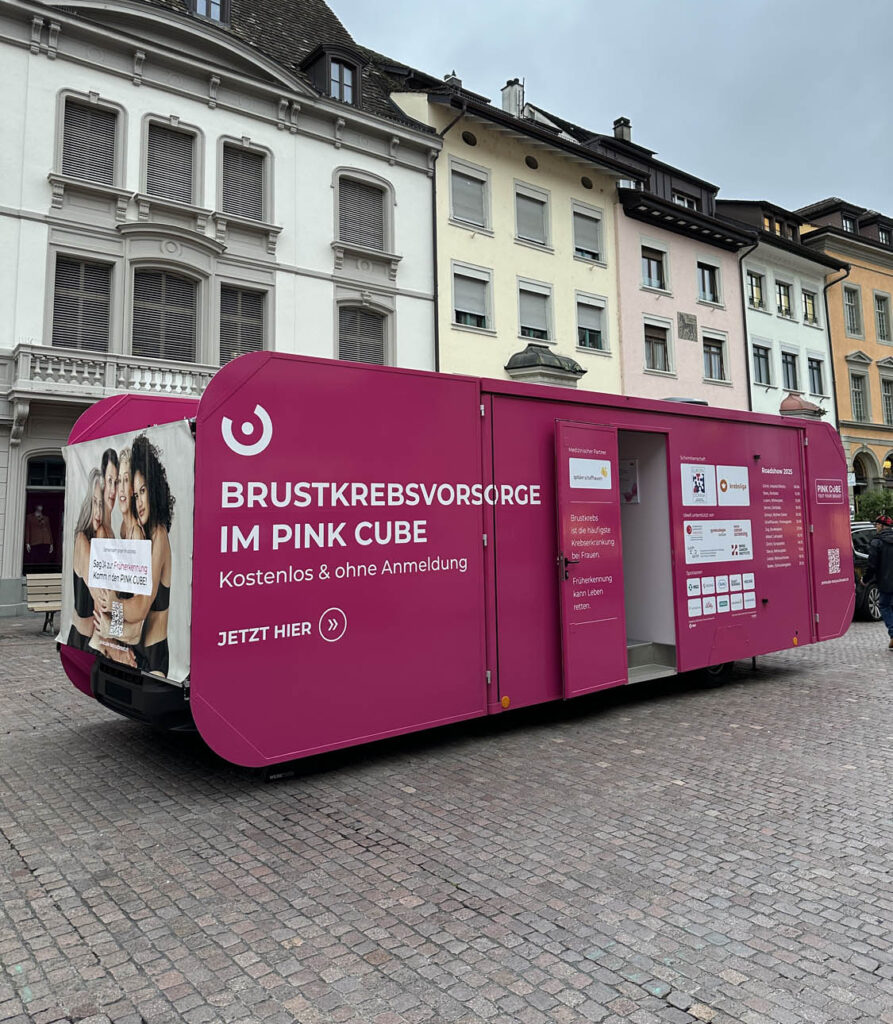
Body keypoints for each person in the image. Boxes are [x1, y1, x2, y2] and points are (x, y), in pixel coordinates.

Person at [95, 434, 174, 676]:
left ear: (155, 491)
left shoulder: (158, 534)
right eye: (135, 492)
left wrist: (112, 616)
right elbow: (121, 593)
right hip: (134, 650)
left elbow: (139, 606)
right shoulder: (128, 530)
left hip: (153, 654)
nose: (139, 500)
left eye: (142, 491)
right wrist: (114, 636)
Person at [68, 470, 103, 651]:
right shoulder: (82, 540)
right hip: (82, 639)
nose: (98, 512)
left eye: (103, 505)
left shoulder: (97, 541)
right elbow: (102, 597)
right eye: (95, 503)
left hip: (93, 640)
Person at [864, 513, 893, 650]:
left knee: (885, 606)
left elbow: (872, 565)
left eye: (876, 525)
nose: (876, 527)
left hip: (886, 582)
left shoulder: (877, 542)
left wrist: (865, 579)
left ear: (882, 526)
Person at [117, 448, 143, 542]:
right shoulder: (123, 529)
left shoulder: (136, 534)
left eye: (126, 480)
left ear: (132, 488)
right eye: (119, 480)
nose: (122, 488)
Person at [97, 448, 119, 539]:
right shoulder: (101, 531)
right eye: (110, 480)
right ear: (103, 480)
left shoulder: (108, 527)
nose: (113, 491)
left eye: (116, 482)